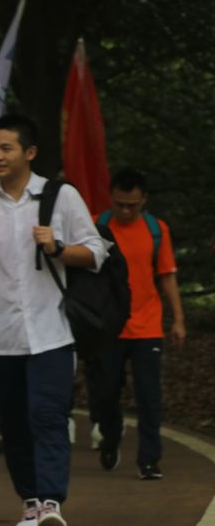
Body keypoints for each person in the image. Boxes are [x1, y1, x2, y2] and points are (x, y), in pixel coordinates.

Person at [0, 113, 107, 526]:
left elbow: (95, 253)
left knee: (48, 416)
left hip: (51, 330)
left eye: (6, 148)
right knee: (12, 422)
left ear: (29, 152)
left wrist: (57, 247)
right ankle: (30, 501)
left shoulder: (60, 197)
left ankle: (52, 504)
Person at [90, 169, 185, 479]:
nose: (126, 211)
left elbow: (167, 275)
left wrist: (178, 320)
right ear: (111, 199)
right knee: (105, 392)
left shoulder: (157, 230)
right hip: (109, 325)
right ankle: (111, 434)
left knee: (148, 395)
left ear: (144, 200)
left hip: (147, 326)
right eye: (120, 204)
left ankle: (149, 460)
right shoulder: (97, 226)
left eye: (133, 205)